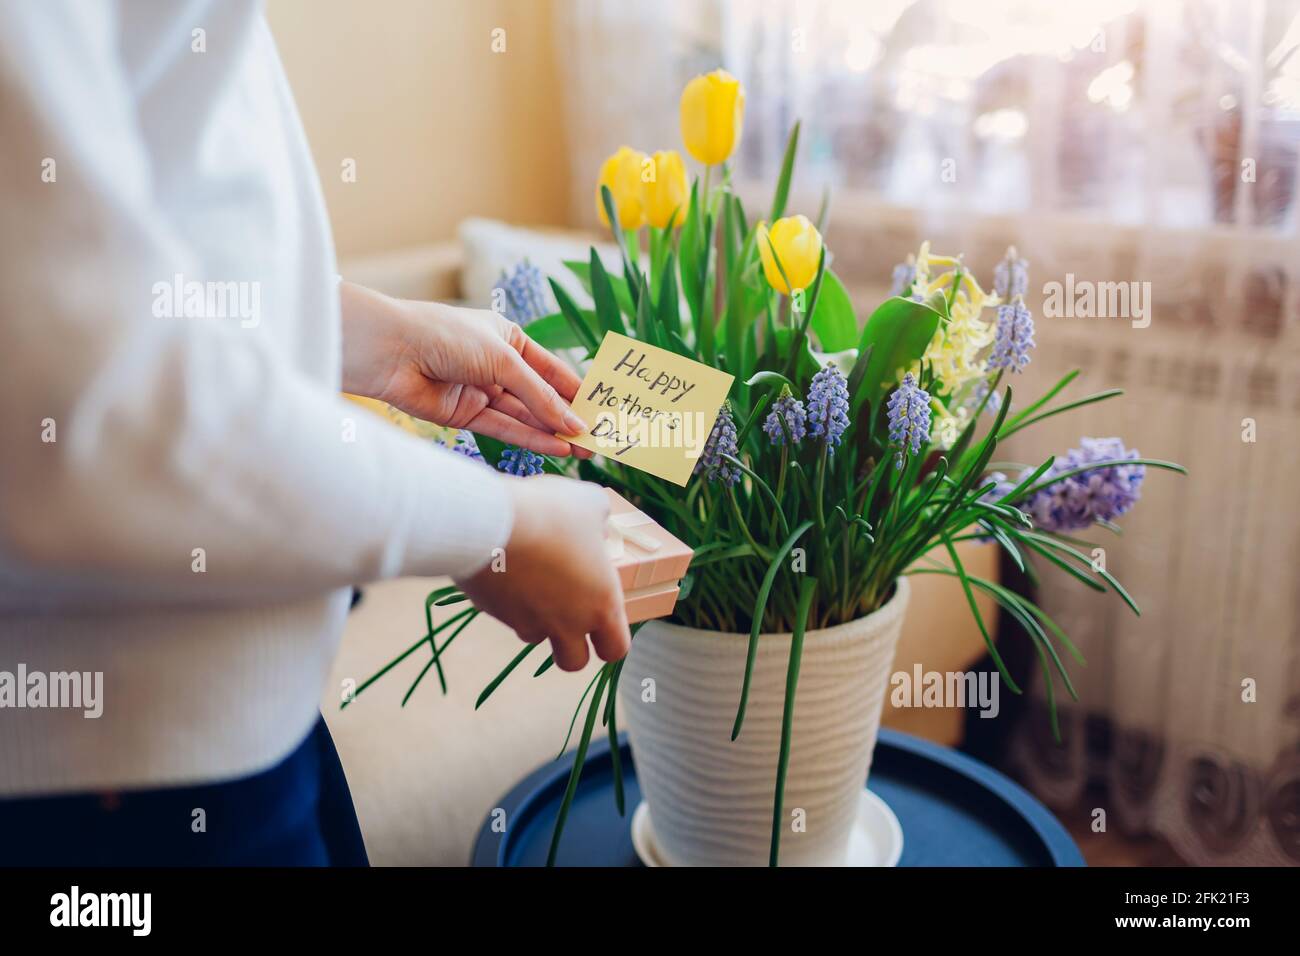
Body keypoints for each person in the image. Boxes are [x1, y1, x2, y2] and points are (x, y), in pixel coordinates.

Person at [0, 1, 630, 865]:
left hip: (256, 721)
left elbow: (153, 264)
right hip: (114, 787)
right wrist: (496, 526)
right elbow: (84, 396)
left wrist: (370, 336)